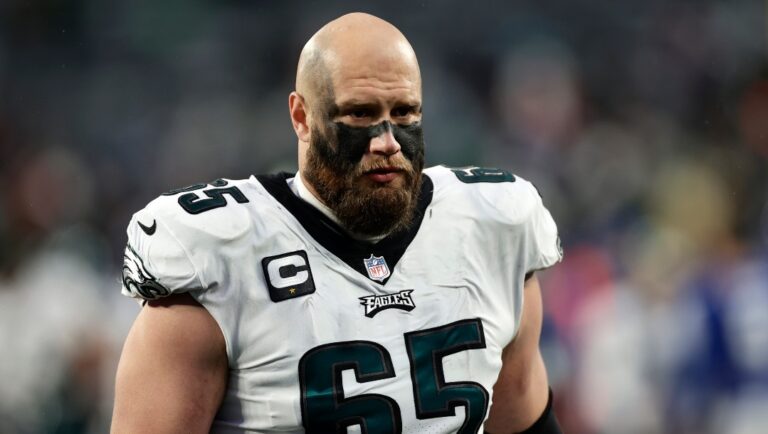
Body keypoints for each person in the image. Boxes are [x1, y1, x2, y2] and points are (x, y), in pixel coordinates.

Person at [112, 12, 563, 434]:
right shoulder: (215, 254)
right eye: (360, 114)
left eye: (404, 113)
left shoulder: (492, 226)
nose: (387, 142)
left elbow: (523, 417)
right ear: (301, 117)